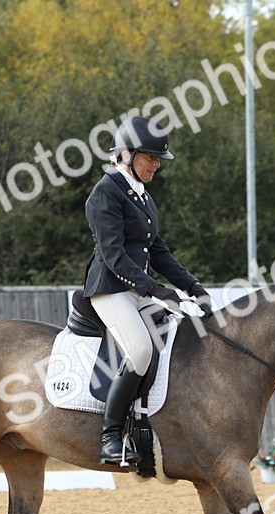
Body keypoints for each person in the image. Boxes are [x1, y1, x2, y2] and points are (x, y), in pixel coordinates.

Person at [82, 116, 214, 467]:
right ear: (126, 155)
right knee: (140, 349)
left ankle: (145, 423)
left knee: (179, 335)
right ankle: (110, 437)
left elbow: (158, 251)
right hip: (109, 288)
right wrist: (154, 289)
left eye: (158, 159)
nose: (156, 164)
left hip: (136, 289)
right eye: (151, 157)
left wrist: (191, 285)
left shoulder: (141, 196)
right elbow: (113, 256)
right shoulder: (104, 193)